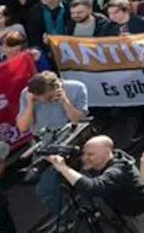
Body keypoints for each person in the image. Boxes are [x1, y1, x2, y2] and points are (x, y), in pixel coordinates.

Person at [45, 135, 144, 233]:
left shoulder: (117, 171)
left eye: (90, 155)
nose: (85, 158)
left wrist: (63, 168)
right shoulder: (102, 162)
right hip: (129, 210)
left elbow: (92, 188)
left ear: (107, 153)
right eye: (84, 153)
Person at [16, 70, 89, 217]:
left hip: (71, 139)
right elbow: (23, 127)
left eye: (48, 97)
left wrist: (65, 101)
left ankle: (86, 207)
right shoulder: (28, 94)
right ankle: (67, 216)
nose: (44, 100)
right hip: (44, 144)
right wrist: (30, 104)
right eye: (40, 98)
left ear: (57, 87)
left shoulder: (76, 88)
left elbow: (79, 121)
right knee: (44, 189)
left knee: (78, 179)